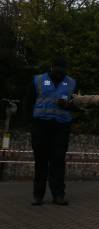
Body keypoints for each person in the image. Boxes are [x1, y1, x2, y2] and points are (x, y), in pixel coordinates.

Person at [29, 57, 77, 206]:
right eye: (57, 70)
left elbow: (77, 106)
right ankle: (38, 196)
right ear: (51, 67)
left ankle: (58, 196)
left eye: (63, 71)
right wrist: (30, 124)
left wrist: (67, 105)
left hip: (61, 128)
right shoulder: (37, 80)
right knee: (41, 162)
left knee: (58, 162)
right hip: (40, 126)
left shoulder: (72, 83)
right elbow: (28, 102)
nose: (60, 73)